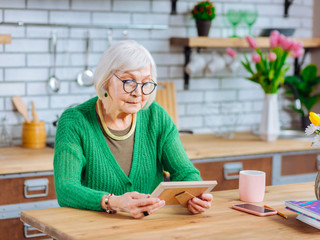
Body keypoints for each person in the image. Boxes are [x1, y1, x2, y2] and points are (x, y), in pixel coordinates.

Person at [53, 40, 213, 219]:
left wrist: (196, 195)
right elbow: (66, 188)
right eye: (129, 82)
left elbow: (185, 172)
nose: (138, 93)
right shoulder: (75, 121)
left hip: (144, 231)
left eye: (146, 83)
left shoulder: (156, 117)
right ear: (105, 82)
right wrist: (112, 202)